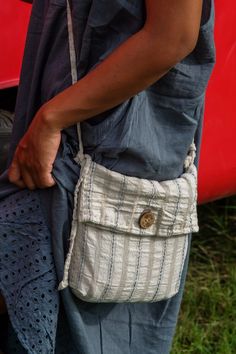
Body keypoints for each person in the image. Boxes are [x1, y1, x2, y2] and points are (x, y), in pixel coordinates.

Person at [0, 0, 215, 353]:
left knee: (89, 295)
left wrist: (51, 119)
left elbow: (173, 36)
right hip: (72, 109)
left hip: (113, 128)